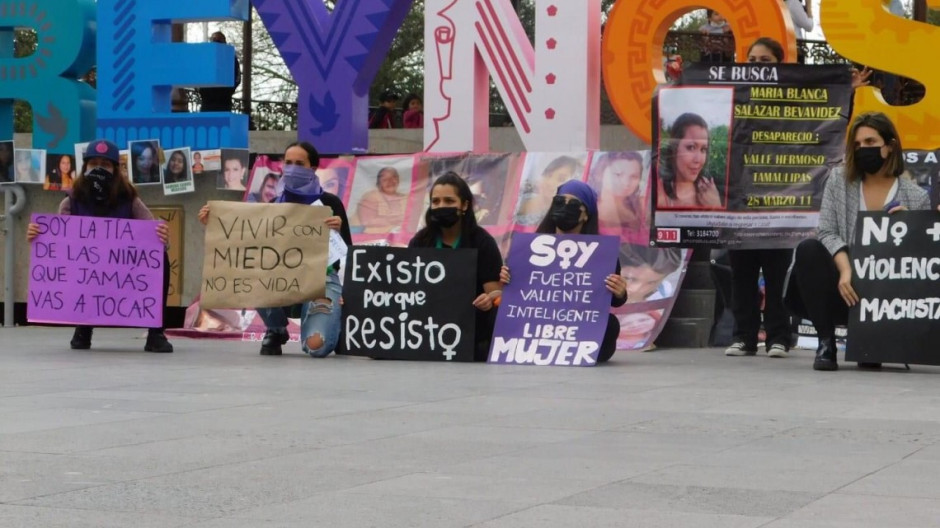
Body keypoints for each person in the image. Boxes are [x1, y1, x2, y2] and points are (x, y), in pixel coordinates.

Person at [790, 112, 932, 371]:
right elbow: (827, 232)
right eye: (857, 144)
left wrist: (909, 225)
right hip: (843, 282)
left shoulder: (916, 196)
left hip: (883, 292)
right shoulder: (839, 180)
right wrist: (845, 269)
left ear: (889, 147)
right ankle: (826, 342)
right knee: (808, 249)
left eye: (870, 142)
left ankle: (874, 343)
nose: (862, 149)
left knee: (871, 358)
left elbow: (918, 260)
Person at [199, 141, 352, 357]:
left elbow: (348, 253)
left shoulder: (329, 203)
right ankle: (276, 328)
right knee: (254, 272)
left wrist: (338, 229)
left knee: (317, 347)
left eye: (299, 163)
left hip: (321, 279)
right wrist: (215, 223)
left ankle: (332, 325)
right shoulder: (272, 205)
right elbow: (248, 246)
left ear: (313, 168)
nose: (292, 167)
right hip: (280, 276)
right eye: (288, 162)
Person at [25, 139, 174, 353]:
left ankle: (156, 332)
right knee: (82, 268)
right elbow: (57, 247)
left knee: (162, 259)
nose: (98, 169)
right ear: (85, 167)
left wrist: (161, 236)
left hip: (122, 270)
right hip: (86, 270)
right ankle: (83, 326)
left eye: (105, 165)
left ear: (115, 169)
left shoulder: (129, 199)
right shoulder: (71, 200)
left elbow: (155, 239)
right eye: (93, 164)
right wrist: (37, 236)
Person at [721, 38, 794, 359]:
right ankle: (744, 337)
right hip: (740, 202)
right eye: (751, 60)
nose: (756, 65)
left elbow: (827, 123)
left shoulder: (793, 100)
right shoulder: (732, 97)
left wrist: (843, 88)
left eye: (764, 60)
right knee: (742, 273)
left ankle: (779, 337)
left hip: (780, 203)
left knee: (777, 274)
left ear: (779, 63)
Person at [501, 180, 629, 364]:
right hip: (535, 324)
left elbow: (612, 300)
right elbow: (515, 297)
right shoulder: (526, 249)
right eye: (560, 201)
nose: (565, 207)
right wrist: (507, 279)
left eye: (574, 204)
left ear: (586, 215)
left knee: (610, 325)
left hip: (576, 326)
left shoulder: (602, 254)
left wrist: (620, 291)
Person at [408, 172, 503, 361]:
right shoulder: (420, 241)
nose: (441, 206)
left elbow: (495, 294)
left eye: (449, 201)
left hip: (470, 326)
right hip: (426, 326)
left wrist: (488, 300)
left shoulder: (483, 242)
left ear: (465, 205)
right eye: (435, 202)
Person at [657, 112, 723, 209]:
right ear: (674, 148)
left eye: (703, 149)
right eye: (691, 147)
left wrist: (716, 207)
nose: (698, 160)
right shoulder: (659, 193)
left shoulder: (708, 189)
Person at [515, 155, 582, 225]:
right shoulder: (518, 197)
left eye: (561, 179)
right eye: (548, 175)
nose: (550, 182)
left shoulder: (558, 219)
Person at [590, 151, 646, 233]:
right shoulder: (587, 206)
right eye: (618, 174)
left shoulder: (642, 205)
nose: (626, 182)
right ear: (600, 174)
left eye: (634, 176)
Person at [353, 167, 407, 234]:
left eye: (394, 177)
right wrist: (396, 219)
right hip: (372, 240)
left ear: (398, 179)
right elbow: (366, 221)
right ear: (378, 184)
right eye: (385, 179)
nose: (390, 181)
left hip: (401, 239)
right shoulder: (370, 196)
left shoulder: (406, 198)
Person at [198, 32, 240, 112]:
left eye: (219, 41)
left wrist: (229, 90)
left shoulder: (231, 58)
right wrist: (201, 90)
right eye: (214, 40)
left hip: (224, 100)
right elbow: (198, 74)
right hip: (207, 100)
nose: (216, 43)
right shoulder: (205, 58)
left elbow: (237, 77)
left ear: (224, 42)